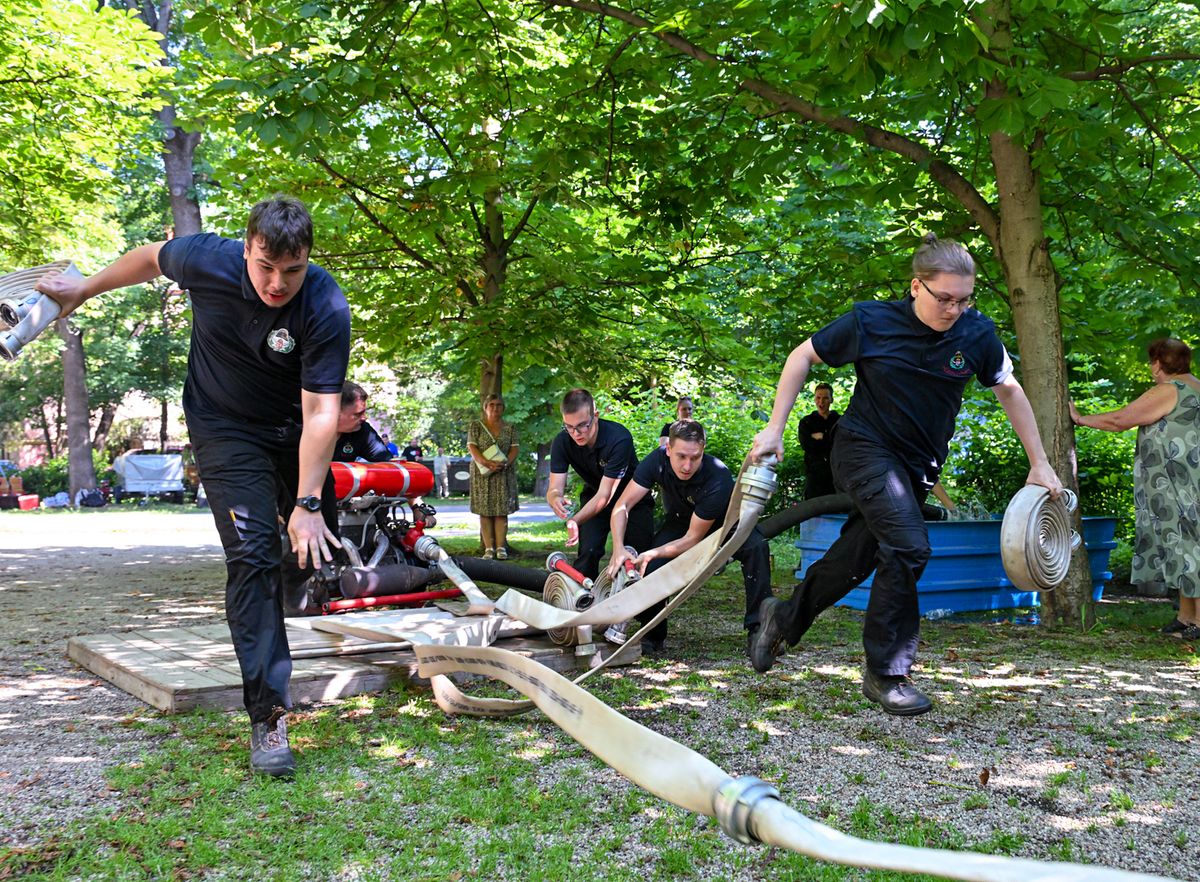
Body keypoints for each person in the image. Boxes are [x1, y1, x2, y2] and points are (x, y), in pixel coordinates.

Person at [36, 195, 350, 775]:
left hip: (293, 430)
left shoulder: (324, 303)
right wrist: (83, 290)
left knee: (311, 549)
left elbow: (322, 413)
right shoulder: (209, 259)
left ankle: (286, 578)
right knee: (252, 555)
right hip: (224, 427)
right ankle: (269, 719)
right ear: (247, 247)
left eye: (292, 269)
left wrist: (307, 504)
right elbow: (150, 256)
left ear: (308, 259)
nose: (277, 282)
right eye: (265, 266)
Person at [747, 233, 1062, 717]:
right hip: (862, 450)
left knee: (860, 554)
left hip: (915, 470)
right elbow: (801, 357)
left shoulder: (976, 334)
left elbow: (1011, 390)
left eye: (964, 299)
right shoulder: (872, 321)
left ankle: (782, 619)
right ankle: (887, 672)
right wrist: (775, 429)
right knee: (911, 546)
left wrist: (1039, 462)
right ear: (917, 287)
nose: (954, 309)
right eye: (945, 298)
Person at [1071, 338, 1200, 641]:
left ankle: (1197, 621)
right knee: (1185, 547)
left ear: (1157, 363)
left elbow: (1120, 420)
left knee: (1190, 549)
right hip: (1188, 480)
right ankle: (1186, 616)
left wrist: (1080, 419)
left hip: (1177, 485)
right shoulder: (1195, 385)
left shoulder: (1170, 390)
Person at [608, 419, 772, 654]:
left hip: (725, 524)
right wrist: (618, 548)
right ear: (668, 449)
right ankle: (652, 634)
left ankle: (759, 630)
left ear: (703, 450)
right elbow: (622, 505)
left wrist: (652, 552)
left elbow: (693, 540)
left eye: (695, 457)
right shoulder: (656, 461)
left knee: (757, 548)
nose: (687, 465)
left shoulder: (718, 476)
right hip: (681, 521)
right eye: (681, 456)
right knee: (651, 567)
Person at [547, 389, 654, 580]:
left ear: (595, 416)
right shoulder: (562, 441)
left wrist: (575, 520)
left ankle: (642, 606)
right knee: (588, 552)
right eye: (569, 427)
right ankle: (584, 601)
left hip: (632, 499)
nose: (576, 433)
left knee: (637, 557)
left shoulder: (618, 438)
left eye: (582, 426)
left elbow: (606, 495)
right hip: (594, 498)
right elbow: (555, 487)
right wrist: (555, 497)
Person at [468, 394, 519, 559]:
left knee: (501, 511)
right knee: (485, 511)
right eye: (491, 405)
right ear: (485, 407)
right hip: (482, 474)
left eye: (498, 405)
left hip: (503, 472)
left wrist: (505, 463)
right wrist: (487, 463)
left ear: (503, 408)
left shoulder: (510, 427)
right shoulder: (476, 426)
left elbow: (514, 449)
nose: (495, 408)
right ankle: (488, 548)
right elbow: (472, 448)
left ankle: (501, 547)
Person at [797, 382, 840, 498]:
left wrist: (822, 438)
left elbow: (842, 445)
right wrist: (830, 440)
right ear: (814, 399)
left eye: (825, 398)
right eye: (818, 398)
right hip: (814, 474)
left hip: (837, 474)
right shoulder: (806, 422)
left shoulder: (839, 421)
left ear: (831, 400)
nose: (821, 402)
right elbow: (807, 446)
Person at [334, 383, 392, 463]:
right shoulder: (311, 429)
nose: (364, 418)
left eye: (364, 412)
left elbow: (387, 465)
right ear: (334, 412)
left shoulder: (363, 431)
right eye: (358, 414)